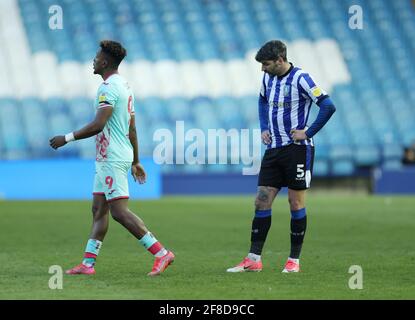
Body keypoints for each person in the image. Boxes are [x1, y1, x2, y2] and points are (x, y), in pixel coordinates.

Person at [49, 40, 174, 276]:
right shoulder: (125, 86)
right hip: (113, 155)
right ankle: (88, 264)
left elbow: (98, 124)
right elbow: (132, 127)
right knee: (99, 209)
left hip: (112, 157)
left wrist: (66, 138)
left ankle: (161, 252)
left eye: (96, 58)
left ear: (105, 62)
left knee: (118, 211)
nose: (93, 61)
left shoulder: (107, 88)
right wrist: (136, 160)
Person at [227, 40, 336, 273]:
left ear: (280, 59)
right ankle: (253, 259)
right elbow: (262, 100)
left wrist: (308, 132)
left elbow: (328, 106)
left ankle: (293, 261)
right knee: (261, 200)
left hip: (298, 149)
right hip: (274, 149)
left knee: (295, 203)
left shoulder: (302, 78)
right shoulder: (268, 78)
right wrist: (264, 126)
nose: (262, 69)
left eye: (266, 64)